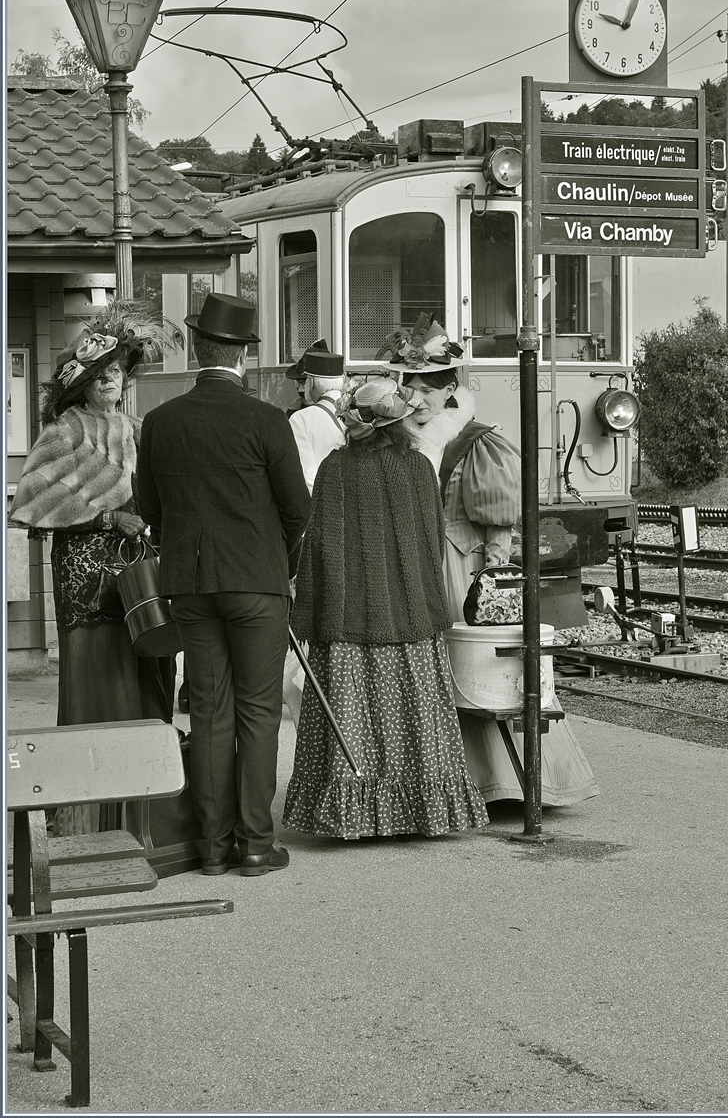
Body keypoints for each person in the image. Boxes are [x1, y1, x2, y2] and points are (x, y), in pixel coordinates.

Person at [381, 314, 599, 808]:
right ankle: (441, 783)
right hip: (417, 567)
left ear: (449, 390)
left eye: (427, 391)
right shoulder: (402, 439)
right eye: (409, 389)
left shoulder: (475, 440)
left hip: (461, 569)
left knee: (475, 667)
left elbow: (501, 524)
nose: (417, 401)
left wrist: (492, 584)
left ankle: (501, 783)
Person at [137, 293, 312, 877]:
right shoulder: (266, 419)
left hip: (189, 582)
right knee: (260, 712)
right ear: (241, 353)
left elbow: (151, 510)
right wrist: (275, 560)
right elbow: (298, 509)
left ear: (195, 346)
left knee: (209, 712)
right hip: (257, 583)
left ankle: (211, 848)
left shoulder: (162, 421)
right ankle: (256, 845)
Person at [283, 376, 489, 841]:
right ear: (397, 423)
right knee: (415, 717)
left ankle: (353, 813)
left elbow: (318, 547)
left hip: (345, 620)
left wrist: (313, 612)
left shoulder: (335, 469)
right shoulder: (417, 468)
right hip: (411, 616)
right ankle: (421, 810)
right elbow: (431, 544)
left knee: (353, 714)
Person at [9, 307, 180, 832]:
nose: (109, 378)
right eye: (97, 372)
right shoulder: (63, 431)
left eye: (116, 370)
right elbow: (31, 503)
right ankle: (86, 822)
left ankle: (148, 819)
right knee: (94, 684)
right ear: (81, 383)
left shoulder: (141, 429)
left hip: (140, 578)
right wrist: (107, 515)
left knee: (149, 677)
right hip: (87, 580)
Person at [288, 347, 347, 493]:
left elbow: (308, 476)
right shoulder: (359, 408)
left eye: (306, 381)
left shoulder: (300, 419)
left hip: (326, 501)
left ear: (312, 382)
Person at [284, 337, 331, 418]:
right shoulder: (294, 412)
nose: (300, 390)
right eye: (297, 383)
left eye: (305, 382)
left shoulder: (344, 411)